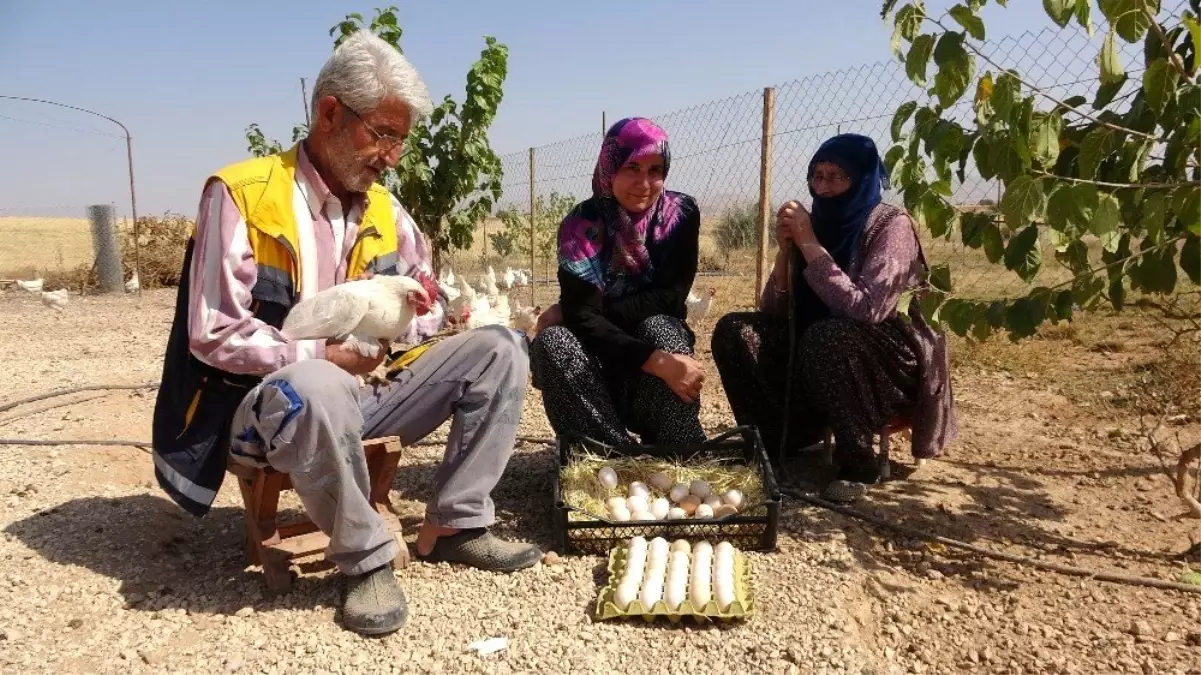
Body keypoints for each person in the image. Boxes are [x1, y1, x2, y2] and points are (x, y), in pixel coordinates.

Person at [150, 30, 540, 637]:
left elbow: (425, 298)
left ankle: (458, 522)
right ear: (330, 111)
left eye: (400, 141)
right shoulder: (242, 196)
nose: (392, 155)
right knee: (318, 381)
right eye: (382, 134)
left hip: (367, 397)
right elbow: (211, 331)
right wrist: (319, 354)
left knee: (502, 350)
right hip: (267, 412)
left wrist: (427, 318)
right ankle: (363, 559)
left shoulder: (388, 211)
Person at [711, 133, 957, 503]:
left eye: (836, 177)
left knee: (829, 336)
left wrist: (810, 245)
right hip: (821, 353)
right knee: (736, 329)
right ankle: (779, 439)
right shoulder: (816, 223)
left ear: (862, 179)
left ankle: (859, 463)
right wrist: (786, 252)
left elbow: (868, 309)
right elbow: (773, 311)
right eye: (817, 176)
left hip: (887, 362)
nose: (823, 187)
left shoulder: (890, 226)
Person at [530, 117, 707, 447]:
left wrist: (579, 311)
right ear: (610, 167)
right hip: (596, 363)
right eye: (632, 167)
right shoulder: (581, 226)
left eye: (656, 170)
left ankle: (676, 448)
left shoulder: (679, 215)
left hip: (650, 365)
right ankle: (607, 458)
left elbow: (670, 297)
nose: (644, 182)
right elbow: (584, 319)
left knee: (662, 327)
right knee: (553, 342)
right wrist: (657, 362)